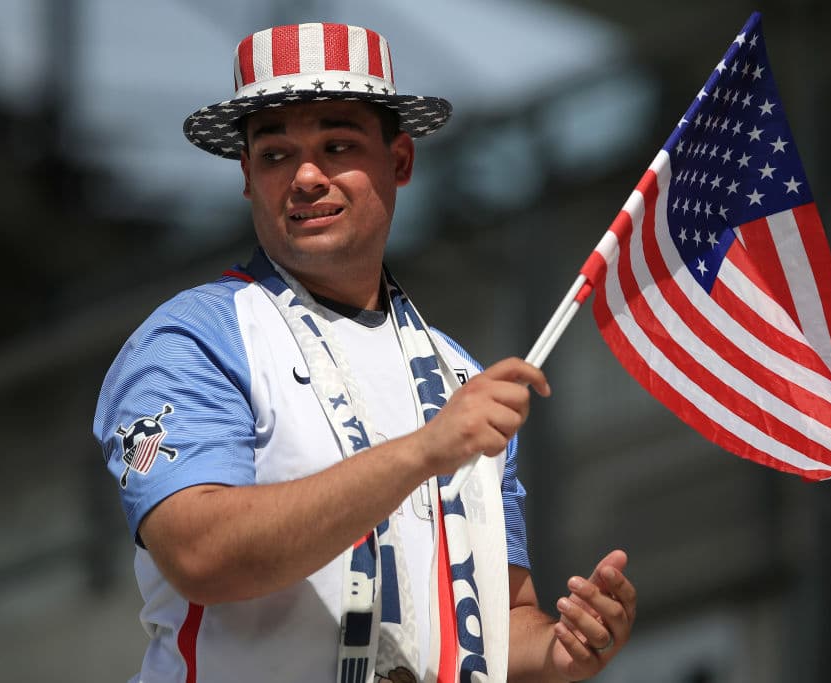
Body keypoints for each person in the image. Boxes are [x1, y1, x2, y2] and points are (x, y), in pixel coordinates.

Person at [94, 22, 636, 683]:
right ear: (245, 177)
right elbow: (200, 554)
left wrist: (560, 648)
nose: (306, 177)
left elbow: (501, 624)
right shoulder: (192, 338)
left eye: (338, 144)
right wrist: (422, 451)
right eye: (274, 156)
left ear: (401, 161)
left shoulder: (459, 375)